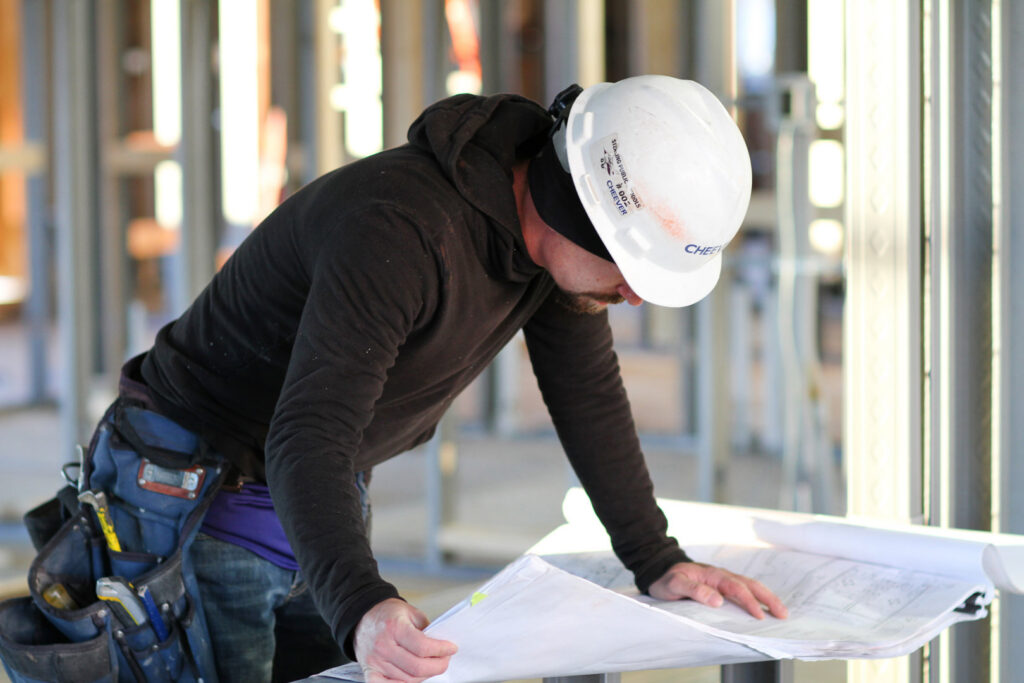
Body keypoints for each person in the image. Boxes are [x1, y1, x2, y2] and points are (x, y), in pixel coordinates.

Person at [121, 75, 787, 683]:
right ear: (577, 210)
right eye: (631, 269)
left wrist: (656, 557)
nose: (636, 296)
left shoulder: (551, 251)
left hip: (313, 499)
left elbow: (588, 393)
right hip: (195, 495)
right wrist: (360, 601)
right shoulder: (402, 230)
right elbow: (308, 432)